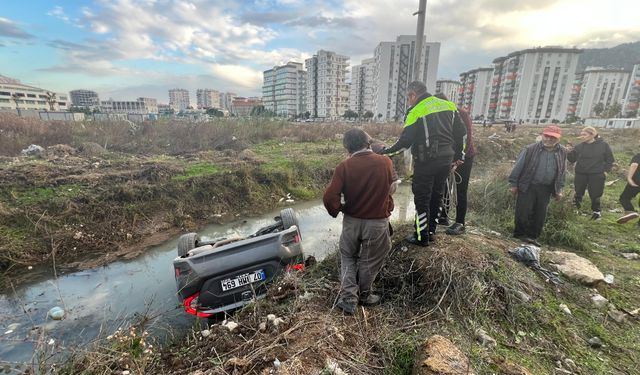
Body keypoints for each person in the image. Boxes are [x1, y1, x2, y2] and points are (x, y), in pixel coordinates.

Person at [378, 81, 466, 246]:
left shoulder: (415, 111)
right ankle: (431, 232)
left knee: (422, 198)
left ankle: (421, 236)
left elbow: (405, 142)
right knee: (437, 194)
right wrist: (459, 154)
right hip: (446, 160)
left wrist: (383, 152)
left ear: (413, 95)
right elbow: (462, 133)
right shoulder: (449, 105)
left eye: (408, 98)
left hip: (426, 162)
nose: (409, 102)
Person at [323, 128, 396, 314]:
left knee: (348, 257)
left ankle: (348, 299)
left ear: (347, 148)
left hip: (351, 221)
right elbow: (393, 187)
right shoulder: (385, 162)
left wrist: (338, 210)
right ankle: (364, 296)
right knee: (369, 261)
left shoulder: (344, 166)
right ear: (368, 143)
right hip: (377, 222)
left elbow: (330, 196)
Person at [509, 125, 567, 246]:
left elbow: (562, 170)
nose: (549, 139)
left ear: (558, 139)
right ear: (542, 135)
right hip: (528, 185)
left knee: (540, 214)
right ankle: (519, 235)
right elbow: (518, 167)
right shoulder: (530, 149)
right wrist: (514, 184)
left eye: (553, 137)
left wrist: (559, 189)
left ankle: (533, 237)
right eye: (546, 136)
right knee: (523, 211)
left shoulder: (562, 151)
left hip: (546, 188)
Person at [433, 93, 475, 235]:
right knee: (443, 186)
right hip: (446, 156)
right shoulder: (437, 115)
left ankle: (460, 222)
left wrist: (460, 158)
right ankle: (443, 216)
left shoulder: (460, 113)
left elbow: (466, 136)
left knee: (460, 189)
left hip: (464, 156)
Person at [566, 126, 614, 220]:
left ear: (592, 135)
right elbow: (572, 159)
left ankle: (596, 212)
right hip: (581, 173)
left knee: (595, 193)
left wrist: (605, 171)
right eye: (581, 135)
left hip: (597, 173)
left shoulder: (603, 145)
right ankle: (575, 210)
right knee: (578, 191)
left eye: (584, 134)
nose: (582, 136)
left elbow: (610, 159)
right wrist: (569, 151)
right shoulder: (579, 146)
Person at [616, 153, 640, 225]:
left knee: (624, 198)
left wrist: (629, 178)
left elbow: (634, 165)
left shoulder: (638, 156)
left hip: (637, 181)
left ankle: (630, 211)